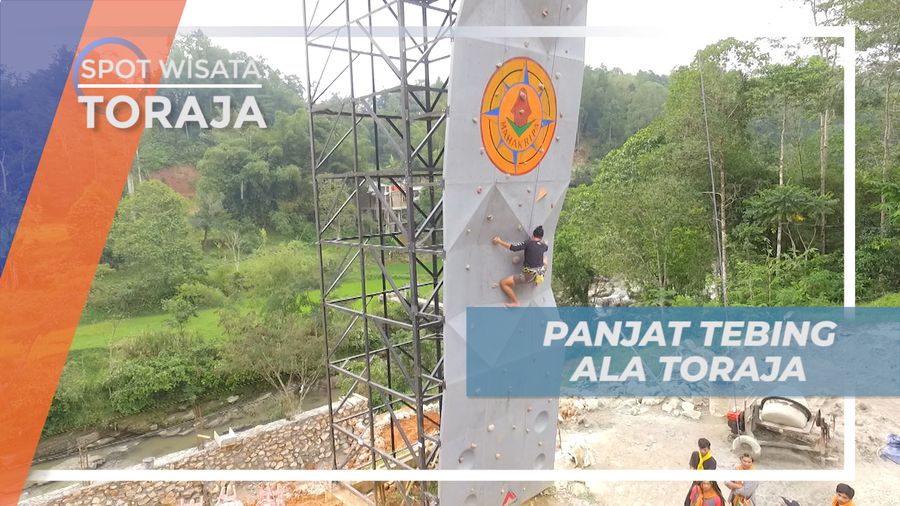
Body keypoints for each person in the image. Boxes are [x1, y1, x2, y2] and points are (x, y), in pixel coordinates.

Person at [492, 226, 548, 307]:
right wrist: (544, 242)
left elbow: (513, 248)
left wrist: (499, 241)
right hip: (539, 273)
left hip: (527, 276)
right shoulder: (544, 246)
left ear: (533, 235)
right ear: (541, 237)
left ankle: (516, 302)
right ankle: (537, 281)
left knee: (503, 283)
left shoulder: (528, 243)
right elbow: (546, 247)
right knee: (545, 259)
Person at [684, 438, 718, 506]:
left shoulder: (712, 462)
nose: (702, 451)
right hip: (697, 482)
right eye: (701, 449)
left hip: (707, 484)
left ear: (709, 449)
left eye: (705, 450)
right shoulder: (695, 455)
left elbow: (708, 477)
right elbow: (692, 468)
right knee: (688, 501)